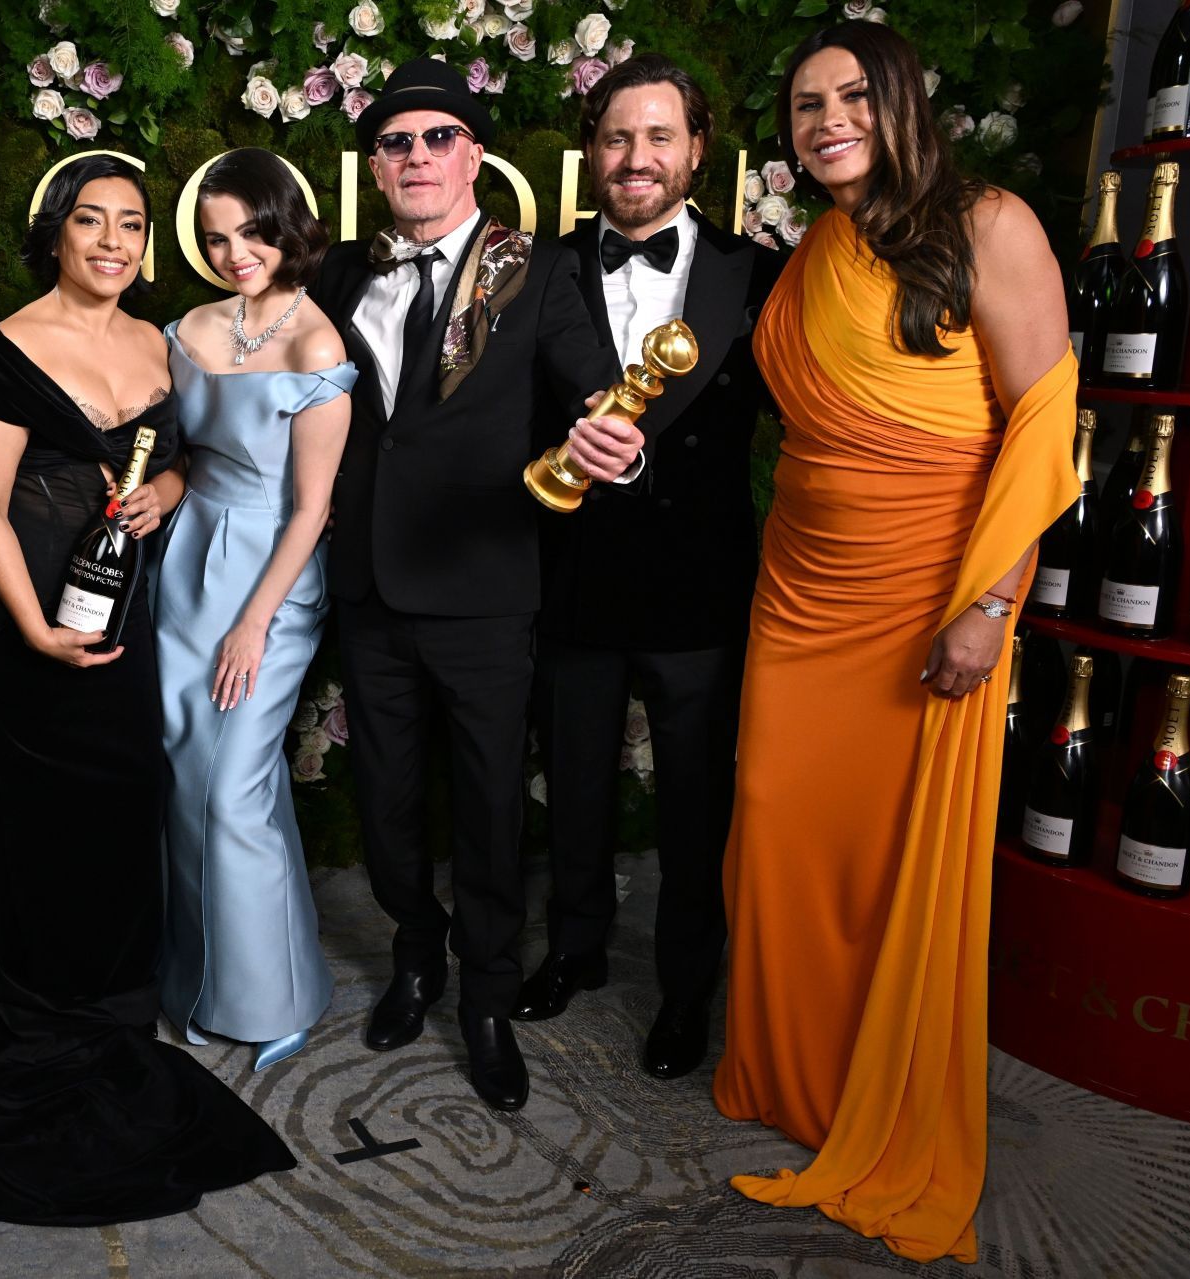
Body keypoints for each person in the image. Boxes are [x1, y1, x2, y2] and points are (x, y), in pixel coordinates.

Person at [0, 155, 296, 1224]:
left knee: (121, 815)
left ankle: (110, 1004)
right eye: (91, 220)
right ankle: (33, 1008)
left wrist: (169, 484)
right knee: (29, 826)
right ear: (56, 232)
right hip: (18, 629)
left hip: (128, 621)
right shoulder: (1, 349)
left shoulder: (161, 344)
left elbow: (183, 459)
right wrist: (34, 631)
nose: (113, 242)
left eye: (131, 225)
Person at [703, 22, 1078, 1263]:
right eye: (806, 105)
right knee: (779, 830)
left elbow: (1041, 422)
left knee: (889, 857)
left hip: (930, 594)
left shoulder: (991, 224)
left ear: (903, 100)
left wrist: (989, 606)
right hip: (799, 593)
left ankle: (881, 1097)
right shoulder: (814, 246)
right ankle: (794, 1079)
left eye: (851, 96)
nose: (826, 122)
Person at [309, 58, 641, 1113]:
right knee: (388, 800)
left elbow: (598, 390)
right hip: (367, 582)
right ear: (376, 163)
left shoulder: (532, 272)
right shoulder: (339, 279)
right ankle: (417, 957)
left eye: (437, 138)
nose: (417, 156)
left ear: (475, 156)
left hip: (487, 587)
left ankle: (487, 998)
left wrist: (614, 444)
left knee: (493, 806)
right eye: (397, 141)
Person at [515, 55, 780, 1082]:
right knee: (574, 785)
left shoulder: (755, 273)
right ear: (593, 150)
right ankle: (575, 950)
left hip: (699, 586)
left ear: (697, 150)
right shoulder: (538, 269)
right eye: (618, 137)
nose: (637, 158)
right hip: (573, 575)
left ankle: (684, 986)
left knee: (693, 804)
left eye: (659, 136)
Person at [155, 148, 355, 1073]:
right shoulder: (192, 326)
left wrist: (254, 622)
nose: (234, 251)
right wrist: (164, 488)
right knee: (191, 771)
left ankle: (273, 992)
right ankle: (202, 977)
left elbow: (312, 506)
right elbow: (188, 450)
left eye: (251, 231)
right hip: (187, 556)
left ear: (287, 226)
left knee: (234, 784)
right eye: (215, 237)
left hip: (272, 572)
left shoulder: (319, 343)